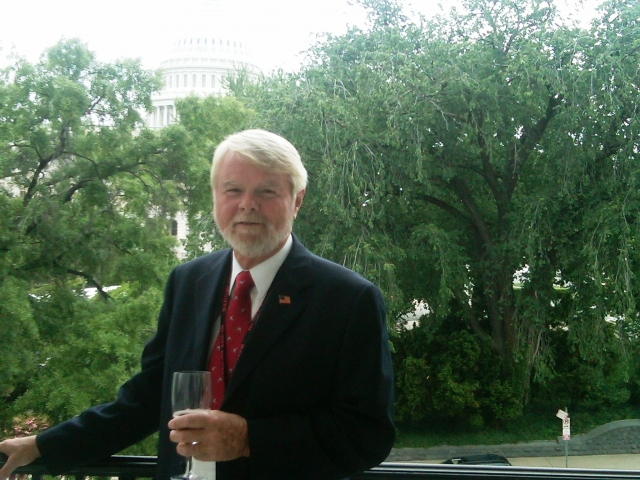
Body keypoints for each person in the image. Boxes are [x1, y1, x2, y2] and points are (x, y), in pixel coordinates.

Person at [0, 129, 395, 480]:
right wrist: (42, 447)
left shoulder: (348, 300)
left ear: (297, 201)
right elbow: (147, 399)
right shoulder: (189, 282)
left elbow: (367, 436)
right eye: (233, 190)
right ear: (215, 197)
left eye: (267, 191)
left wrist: (247, 439)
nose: (247, 205)